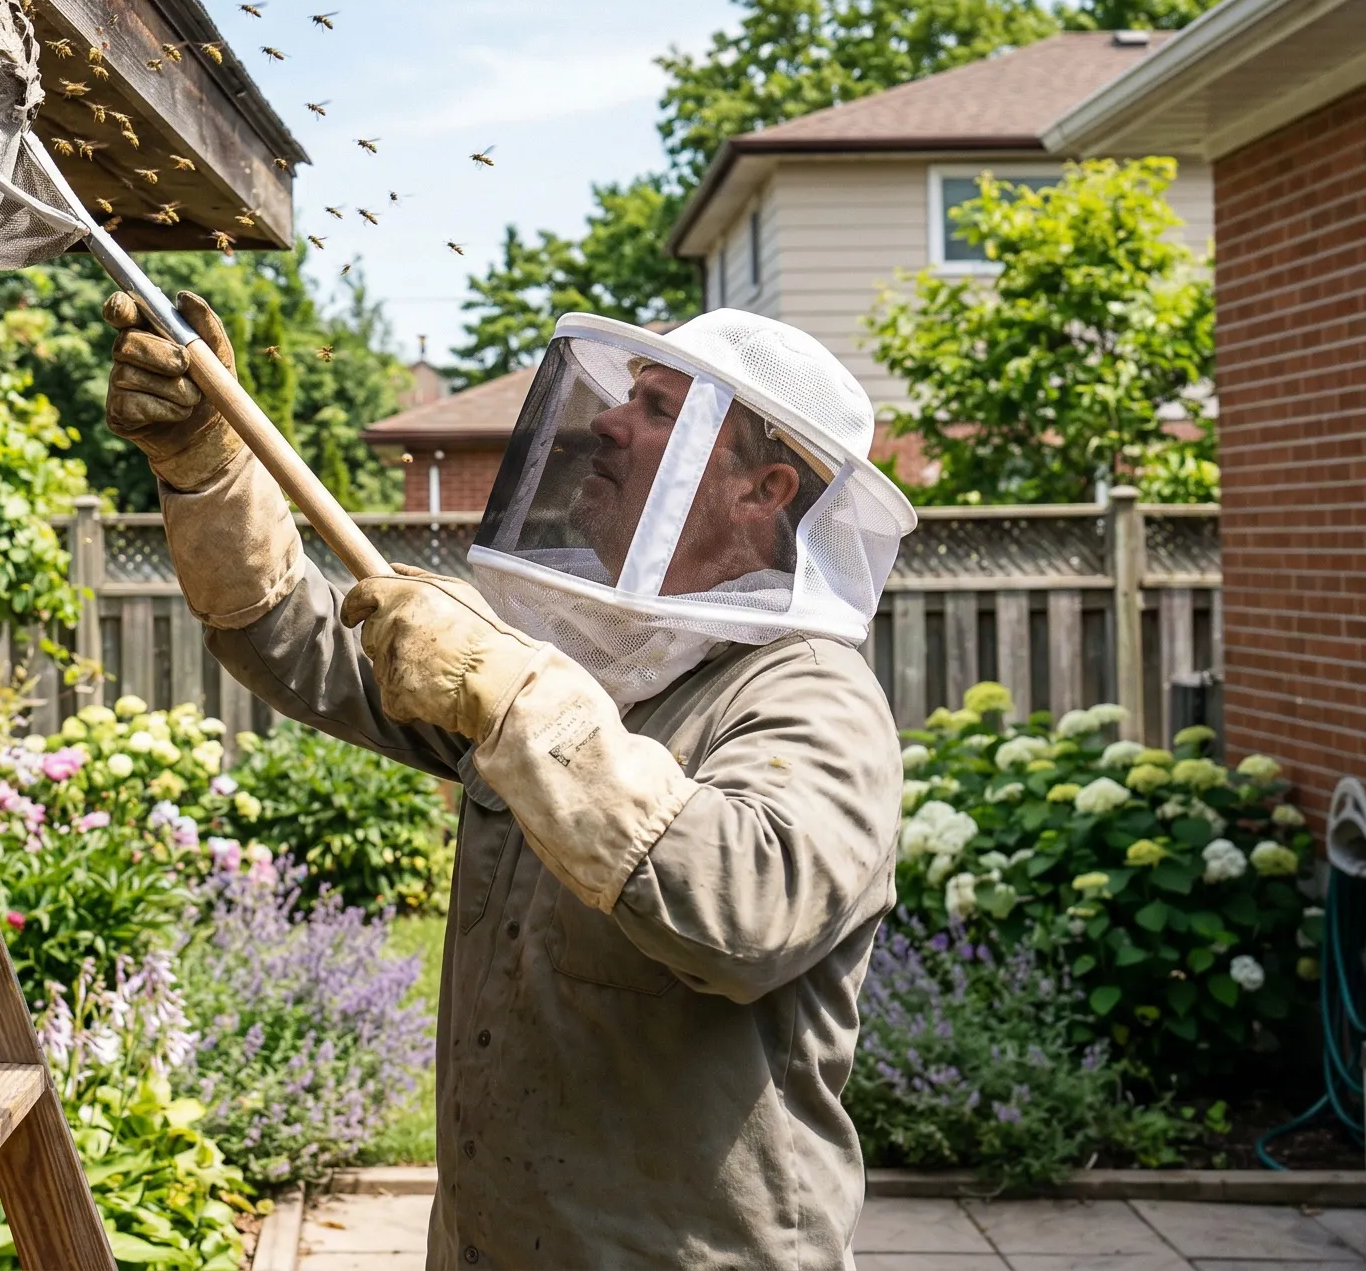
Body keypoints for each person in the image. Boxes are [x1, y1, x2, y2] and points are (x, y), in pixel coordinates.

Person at [103, 292, 918, 1271]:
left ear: (763, 489)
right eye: (628, 396)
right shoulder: (590, 657)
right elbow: (291, 643)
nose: (610, 419)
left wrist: (514, 698)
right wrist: (207, 466)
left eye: (661, 410)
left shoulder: (809, 696)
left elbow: (744, 909)